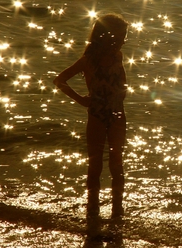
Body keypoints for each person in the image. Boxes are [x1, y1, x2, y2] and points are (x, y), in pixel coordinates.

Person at [53, 13, 128, 219]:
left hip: (118, 114)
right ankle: (92, 209)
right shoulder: (89, 60)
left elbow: (122, 80)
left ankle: (117, 211)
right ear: (109, 36)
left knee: (116, 163)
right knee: (95, 164)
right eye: (122, 36)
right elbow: (60, 80)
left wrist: (123, 91)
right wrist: (81, 99)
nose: (124, 40)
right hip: (96, 115)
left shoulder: (118, 56)